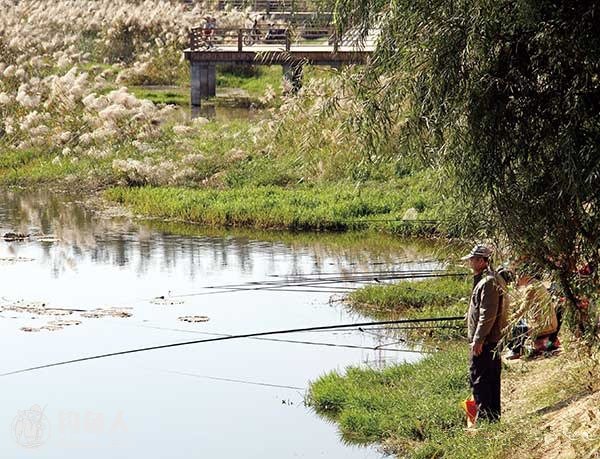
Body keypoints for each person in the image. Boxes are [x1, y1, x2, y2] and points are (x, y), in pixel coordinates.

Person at [463, 244, 507, 423]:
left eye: (472, 259)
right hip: (490, 340)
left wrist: (478, 339)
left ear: (481, 261)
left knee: (480, 380)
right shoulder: (488, 279)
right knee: (489, 379)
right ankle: (492, 418)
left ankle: (484, 419)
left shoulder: (489, 282)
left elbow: (487, 314)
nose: (470, 262)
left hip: (486, 341)